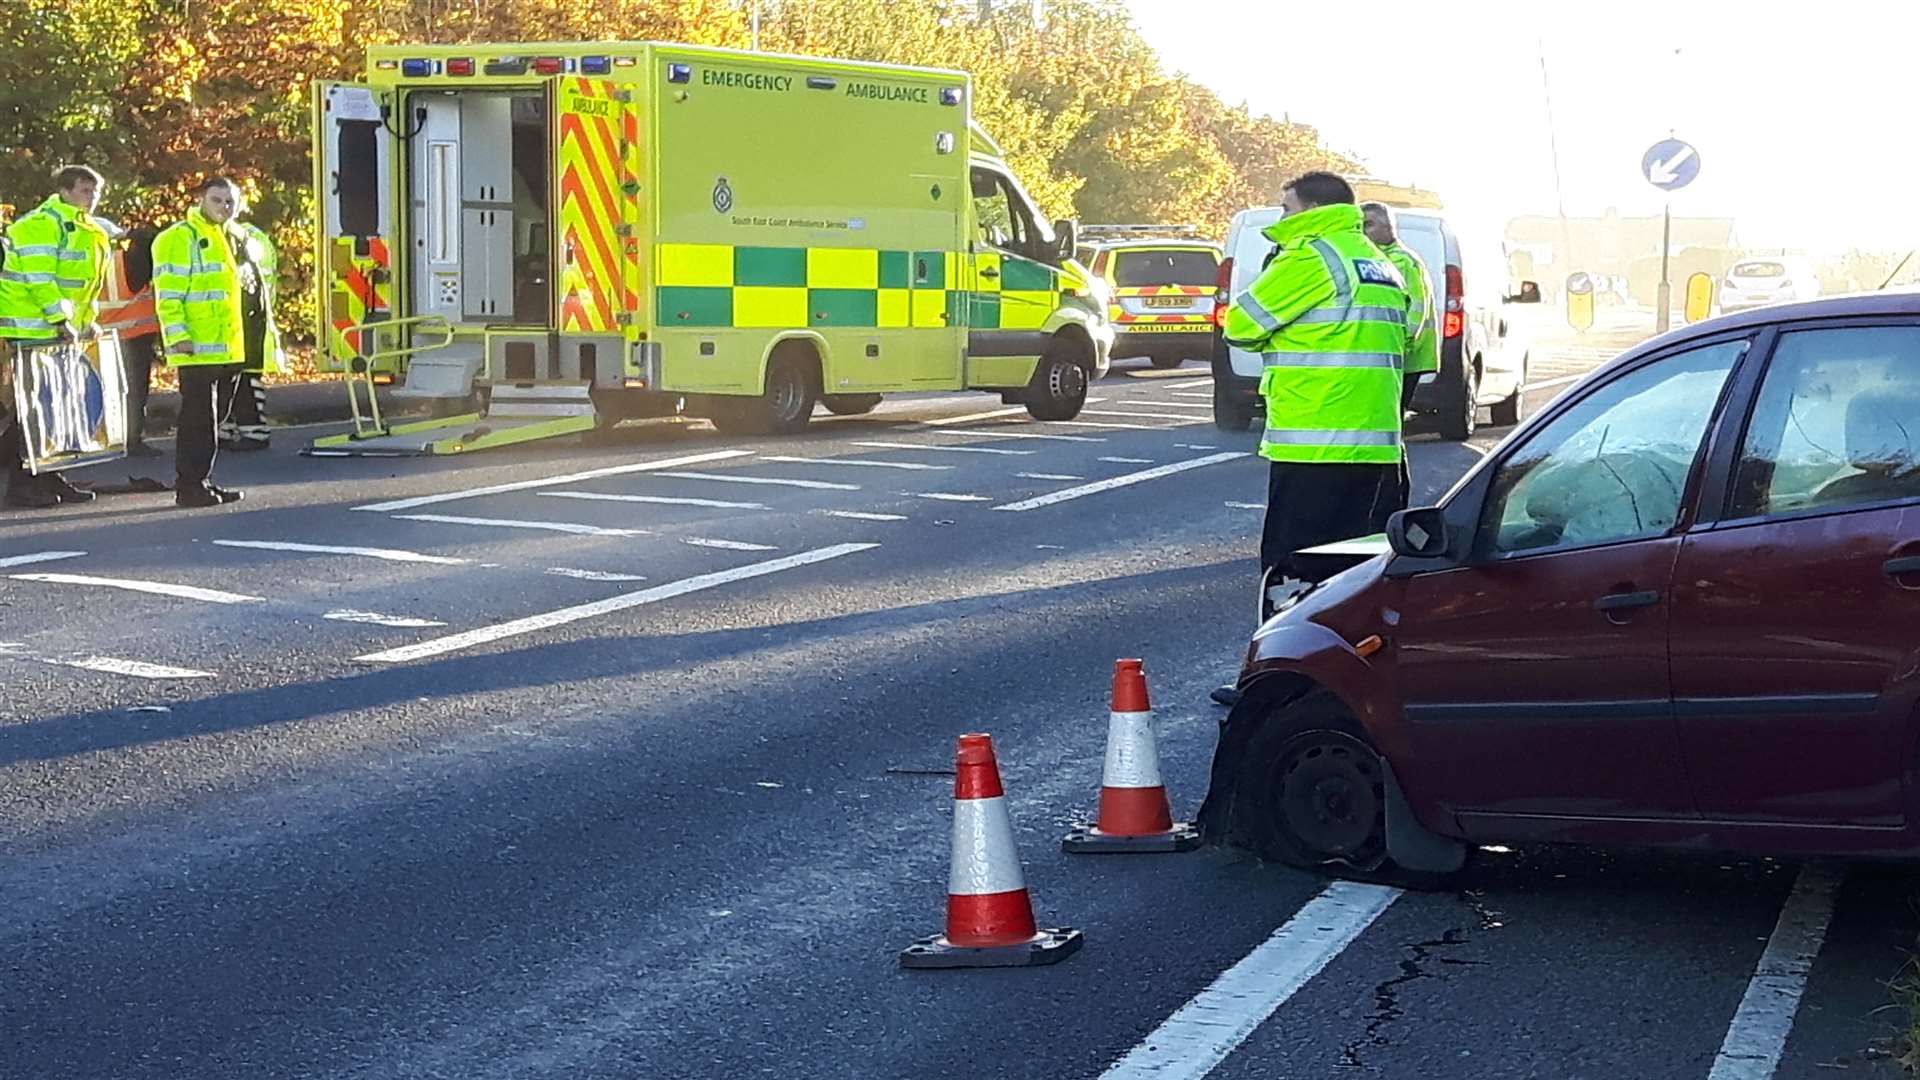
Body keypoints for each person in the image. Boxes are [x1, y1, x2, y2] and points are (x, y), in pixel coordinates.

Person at [1212, 172, 1413, 707]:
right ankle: (1351, 683)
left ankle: (1275, 684)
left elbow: (1242, 324)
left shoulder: (1308, 258)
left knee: (1291, 570)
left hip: (1314, 443)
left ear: (1311, 211)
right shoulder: (1379, 262)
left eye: (1285, 209)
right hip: (1380, 447)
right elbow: (1411, 335)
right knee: (1361, 575)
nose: (1279, 220)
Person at [0, 165, 114, 509]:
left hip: (58, 331)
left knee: (57, 407)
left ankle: (49, 476)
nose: (91, 198)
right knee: (34, 409)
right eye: (84, 191)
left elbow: (85, 286)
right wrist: (60, 319)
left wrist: (86, 321)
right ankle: (23, 485)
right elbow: (39, 278)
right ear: (64, 191)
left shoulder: (86, 228)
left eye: (95, 192)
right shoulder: (42, 224)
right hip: (31, 328)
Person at [153, 176, 249, 508]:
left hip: (227, 347)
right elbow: (169, 294)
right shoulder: (180, 238)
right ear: (200, 200)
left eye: (230, 201)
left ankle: (201, 480)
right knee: (197, 421)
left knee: (214, 419)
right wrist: (178, 336)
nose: (225, 207)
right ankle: (190, 485)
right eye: (217, 200)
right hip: (195, 348)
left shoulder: (234, 237)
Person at [1361, 202, 1438, 523]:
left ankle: (1390, 507)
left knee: (1388, 434)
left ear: (1388, 227)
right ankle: (1386, 505)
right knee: (1389, 433)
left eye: (1369, 225)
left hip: (1402, 361)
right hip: (1393, 360)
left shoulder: (1402, 261)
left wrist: (1394, 347)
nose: (1364, 231)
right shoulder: (1381, 258)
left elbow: (1414, 314)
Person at [217, 201, 282, 451]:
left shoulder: (238, 237)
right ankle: (232, 427)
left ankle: (253, 430)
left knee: (244, 378)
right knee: (238, 378)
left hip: (246, 320)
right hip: (254, 318)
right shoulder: (256, 237)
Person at [96, 222, 163, 457]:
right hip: (133, 337)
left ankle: (111, 438)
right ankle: (131, 439)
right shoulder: (147, 264)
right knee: (134, 392)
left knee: (110, 392)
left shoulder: (107, 260)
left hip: (105, 336)